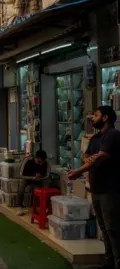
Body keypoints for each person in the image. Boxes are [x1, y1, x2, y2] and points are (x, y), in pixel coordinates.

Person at [68, 106, 120, 269]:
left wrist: (77, 172)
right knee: (104, 228)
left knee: (113, 229)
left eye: (96, 116)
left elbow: (99, 158)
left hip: (110, 190)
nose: (93, 118)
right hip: (97, 189)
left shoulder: (113, 136)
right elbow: (86, 155)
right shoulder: (95, 137)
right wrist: (90, 160)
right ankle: (109, 261)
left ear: (105, 118)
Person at [16, 150, 49, 216]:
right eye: (39, 161)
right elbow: (21, 174)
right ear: (35, 158)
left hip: (37, 180)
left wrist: (40, 176)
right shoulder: (28, 160)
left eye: (42, 162)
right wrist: (33, 176)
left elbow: (46, 175)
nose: (40, 164)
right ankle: (19, 206)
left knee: (38, 190)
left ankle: (37, 207)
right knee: (21, 187)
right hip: (26, 178)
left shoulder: (45, 163)